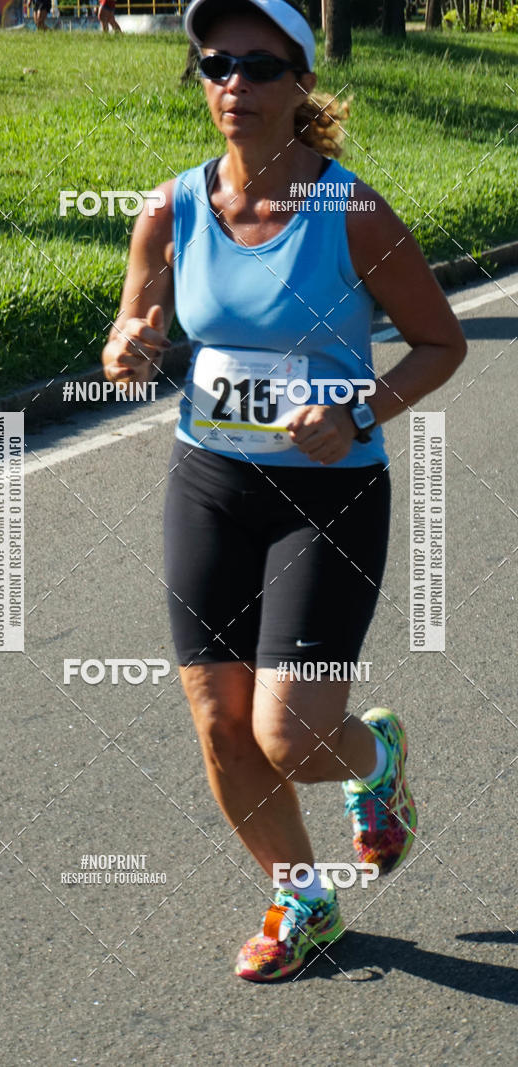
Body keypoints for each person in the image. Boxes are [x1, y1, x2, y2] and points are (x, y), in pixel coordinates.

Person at [101, 0, 466, 981]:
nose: (235, 84)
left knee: (292, 735)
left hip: (330, 490)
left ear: (300, 84)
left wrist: (356, 409)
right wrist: (128, 349)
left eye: (261, 66)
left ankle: (374, 759)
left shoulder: (351, 210)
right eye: (218, 62)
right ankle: (301, 890)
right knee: (221, 721)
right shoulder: (169, 207)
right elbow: (133, 337)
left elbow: (442, 343)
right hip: (211, 479)